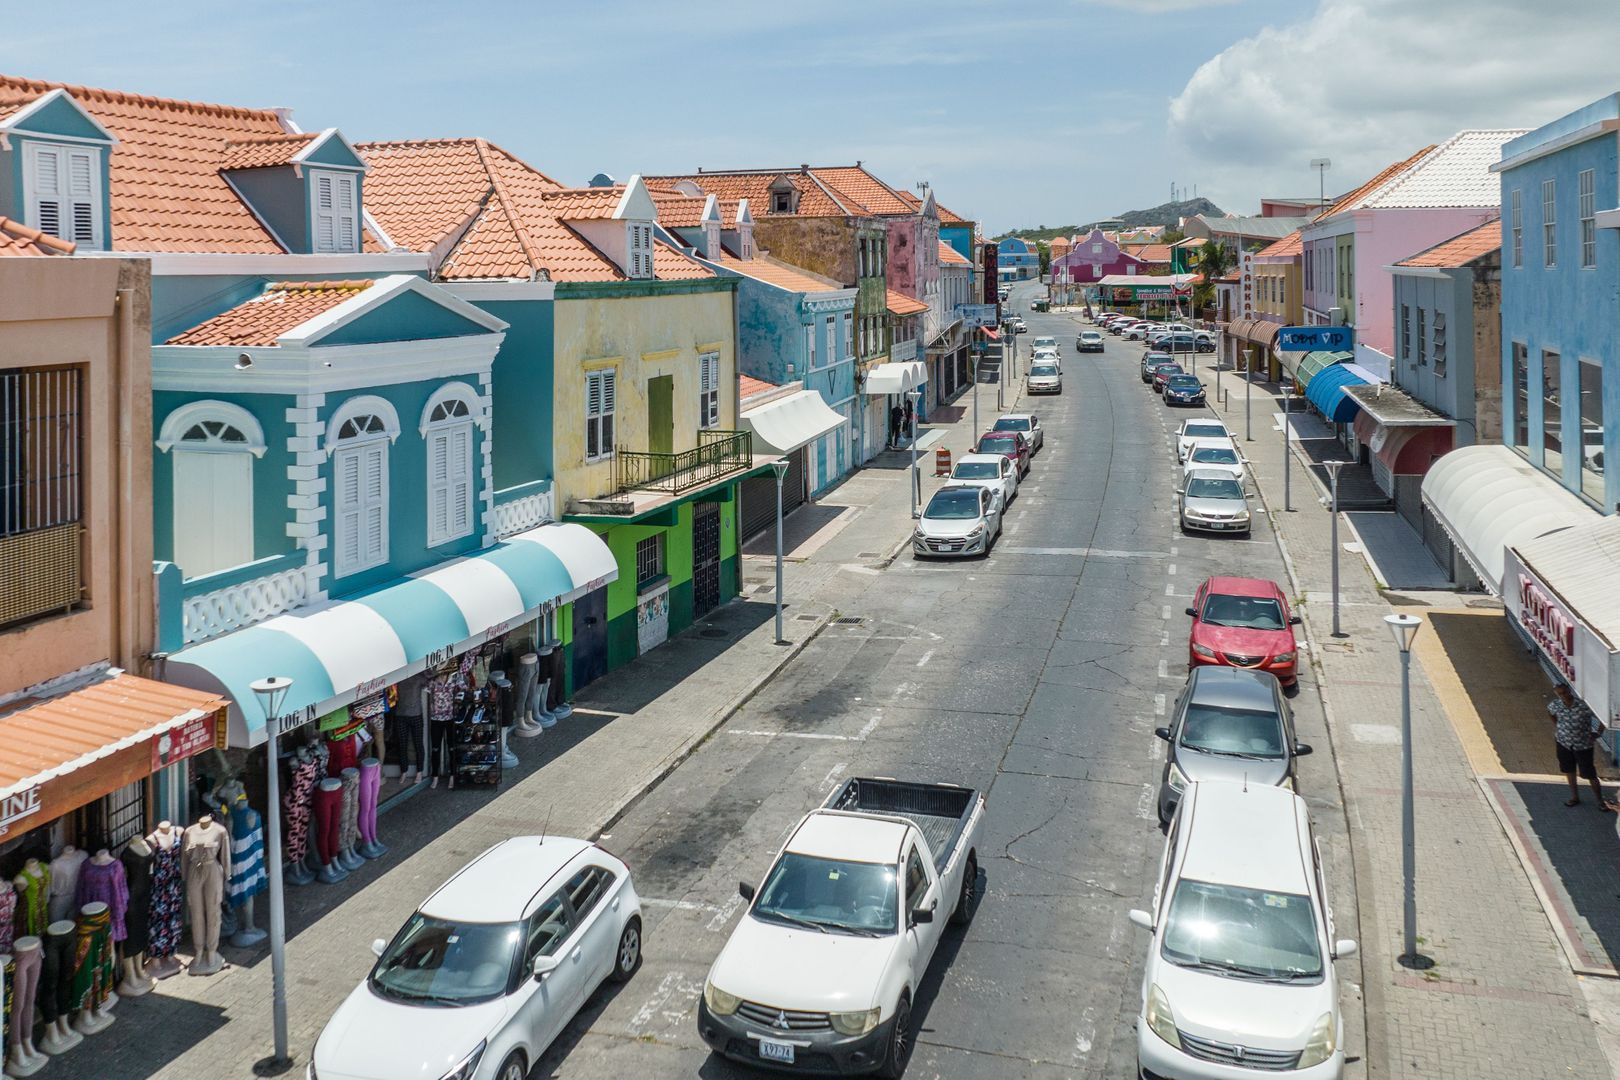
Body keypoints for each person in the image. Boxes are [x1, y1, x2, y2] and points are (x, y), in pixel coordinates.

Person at [1548, 683, 1617, 811]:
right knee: (1569, 770)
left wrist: (1599, 732)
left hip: (1583, 745)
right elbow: (1550, 713)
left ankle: (1600, 800)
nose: (1563, 696)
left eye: (1564, 692)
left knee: (1589, 773)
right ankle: (1574, 797)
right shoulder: (1555, 705)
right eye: (1560, 694)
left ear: (1569, 691)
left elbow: (1602, 717)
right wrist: (1558, 726)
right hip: (1563, 743)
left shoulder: (1583, 705)